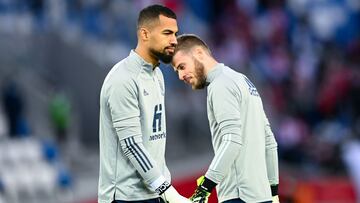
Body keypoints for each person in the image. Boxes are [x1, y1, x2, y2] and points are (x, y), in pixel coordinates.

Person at [98, 5, 191, 203]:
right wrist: (168, 191)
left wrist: (164, 185)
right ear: (144, 34)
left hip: (153, 192)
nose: (174, 40)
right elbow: (132, 145)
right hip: (126, 196)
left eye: (175, 33)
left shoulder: (157, 75)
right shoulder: (122, 79)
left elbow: (155, 139)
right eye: (167, 33)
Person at [171, 34, 280, 203]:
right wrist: (273, 193)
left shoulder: (220, 85)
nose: (180, 75)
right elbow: (270, 142)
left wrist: (204, 188)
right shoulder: (243, 81)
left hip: (239, 195)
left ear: (199, 53)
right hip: (262, 196)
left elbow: (232, 140)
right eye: (177, 70)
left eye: (182, 66)